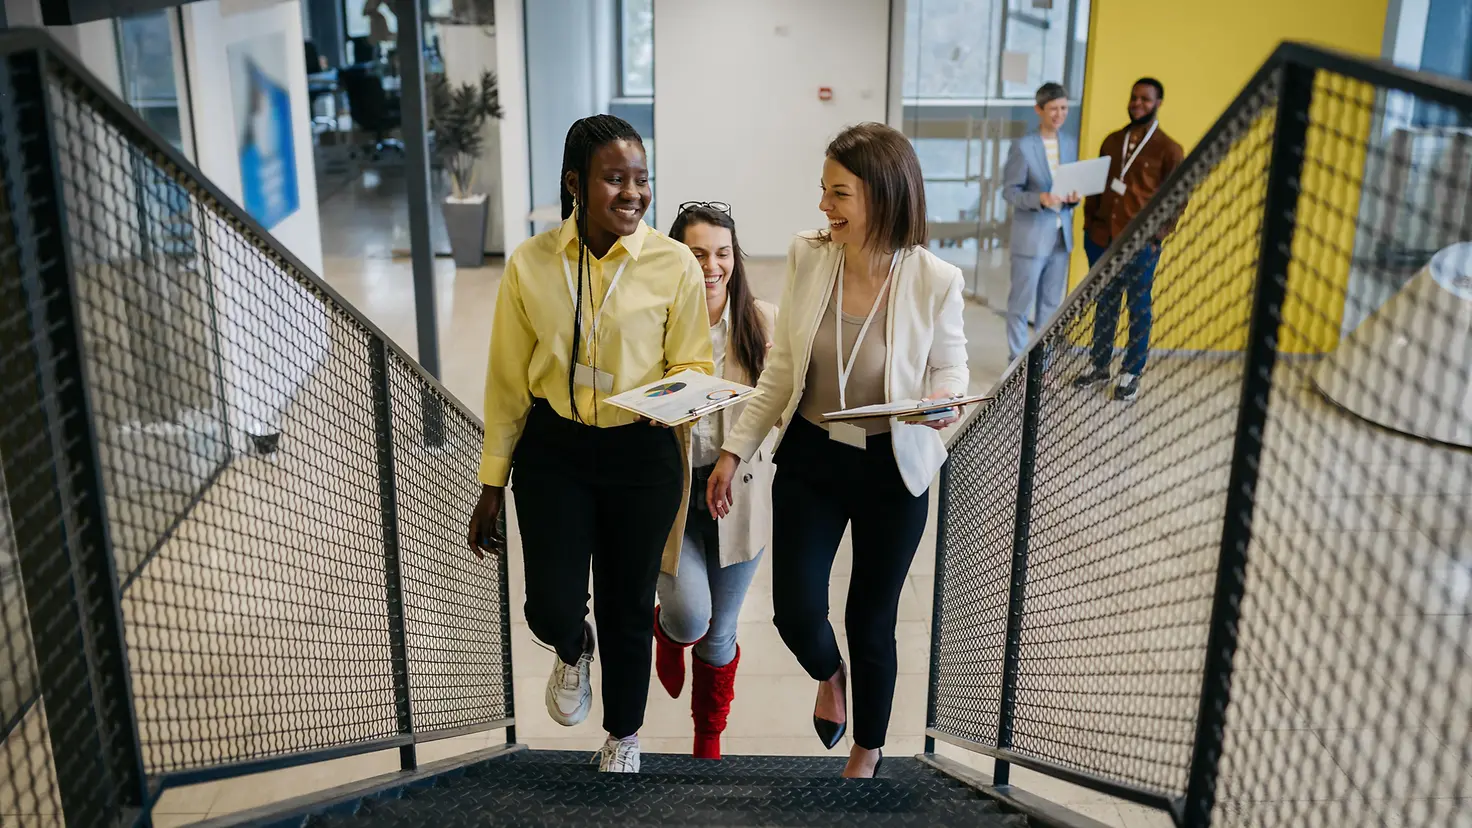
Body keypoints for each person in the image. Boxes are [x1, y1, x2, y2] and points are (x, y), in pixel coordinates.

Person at [706, 123, 968, 779]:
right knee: (795, 611)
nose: (825, 207)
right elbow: (782, 367)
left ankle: (867, 751)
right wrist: (735, 452)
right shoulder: (810, 254)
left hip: (890, 466)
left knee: (870, 618)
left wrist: (941, 401)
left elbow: (952, 371)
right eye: (823, 191)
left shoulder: (935, 279)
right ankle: (831, 676)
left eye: (839, 193)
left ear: (881, 195)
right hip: (813, 457)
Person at [465, 115, 714, 774]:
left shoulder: (673, 264)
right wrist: (492, 482)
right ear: (576, 183)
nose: (632, 193)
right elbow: (505, 382)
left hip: (642, 451)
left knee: (629, 604)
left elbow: (695, 365)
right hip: (556, 450)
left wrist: (678, 401)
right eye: (614, 179)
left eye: (641, 178)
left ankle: (623, 736)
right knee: (549, 603)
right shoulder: (530, 263)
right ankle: (573, 646)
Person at [652, 202, 777, 761]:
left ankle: (709, 740)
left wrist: (784, 385)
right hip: (672, 497)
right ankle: (668, 633)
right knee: (689, 617)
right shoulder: (653, 323)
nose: (711, 265)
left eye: (722, 253)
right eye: (697, 253)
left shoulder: (764, 324)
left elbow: (788, 411)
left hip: (739, 499)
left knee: (721, 631)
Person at [1075, 77, 1184, 401]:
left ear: (1158, 103)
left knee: (1138, 308)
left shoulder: (1169, 149)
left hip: (1140, 245)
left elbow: (1178, 198)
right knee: (1105, 305)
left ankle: (1131, 372)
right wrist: (1088, 228)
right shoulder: (1112, 141)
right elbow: (1097, 186)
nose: (1138, 103)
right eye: (1134, 97)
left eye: (1146, 99)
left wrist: (1157, 236)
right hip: (1102, 240)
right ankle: (1098, 366)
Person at [1001, 82, 1079, 362]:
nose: (1059, 114)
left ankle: (1041, 365)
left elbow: (1070, 184)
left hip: (1061, 237)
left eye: (1064, 108)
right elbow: (1010, 192)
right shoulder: (1023, 146)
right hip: (1031, 236)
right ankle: (1017, 364)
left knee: (1049, 305)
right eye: (1053, 109)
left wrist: (1072, 197)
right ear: (1039, 110)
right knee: (1021, 305)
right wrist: (1040, 199)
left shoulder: (1069, 143)